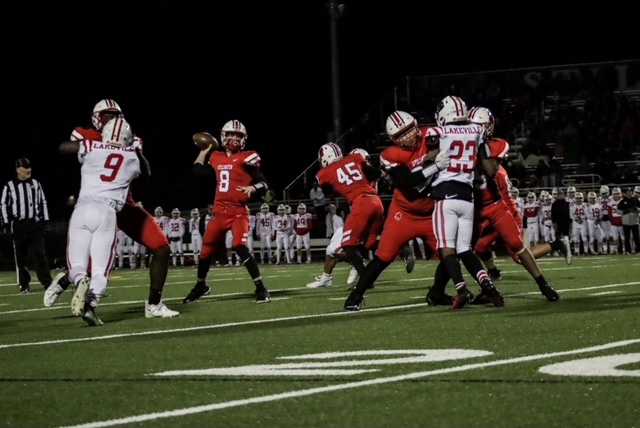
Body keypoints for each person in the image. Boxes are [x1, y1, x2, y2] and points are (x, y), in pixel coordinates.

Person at [43, 99, 177, 319]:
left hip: (125, 205)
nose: (112, 119)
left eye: (115, 115)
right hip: (101, 206)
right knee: (94, 267)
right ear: (97, 117)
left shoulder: (129, 139)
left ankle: (153, 304)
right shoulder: (87, 135)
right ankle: (77, 292)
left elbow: (143, 169)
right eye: (107, 115)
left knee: (161, 248)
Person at [344, 111, 450, 311]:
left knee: (450, 256)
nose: (408, 136)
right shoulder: (390, 155)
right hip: (405, 213)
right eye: (401, 134)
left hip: (432, 212)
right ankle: (355, 296)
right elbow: (407, 181)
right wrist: (436, 166)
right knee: (383, 257)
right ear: (393, 139)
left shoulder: (432, 135)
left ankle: (437, 292)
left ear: (416, 125)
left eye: (409, 130)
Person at [60, 118, 152, 325]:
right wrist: (135, 149)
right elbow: (146, 173)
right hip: (107, 212)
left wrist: (86, 143)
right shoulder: (132, 157)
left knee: (76, 264)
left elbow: (64, 147)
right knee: (101, 269)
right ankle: (91, 307)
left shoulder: (92, 145)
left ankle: (79, 279)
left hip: (82, 208)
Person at [465, 106, 559, 303]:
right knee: (468, 248)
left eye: (478, 127)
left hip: (496, 205)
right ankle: (486, 286)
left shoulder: (497, 145)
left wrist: (478, 148)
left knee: (518, 247)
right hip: (474, 207)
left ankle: (543, 283)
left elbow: (491, 169)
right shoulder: (462, 149)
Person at [183, 119, 271, 304]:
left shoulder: (248, 156)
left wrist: (253, 189)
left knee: (240, 246)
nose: (234, 138)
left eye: (238, 135)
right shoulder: (216, 156)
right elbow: (197, 173)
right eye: (231, 134)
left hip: (238, 212)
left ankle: (261, 288)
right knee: (205, 251)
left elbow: (263, 182)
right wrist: (204, 150)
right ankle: (201, 285)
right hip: (219, 211)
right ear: (223, 136)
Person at [429, 96, 504, 309]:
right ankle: (486, 283)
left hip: (445, 194)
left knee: (447, 248)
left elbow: (428, 161)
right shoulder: (477, 131)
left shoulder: (439, 132)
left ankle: (461, 289)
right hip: (468, 197)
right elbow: (491, 170)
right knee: (465, 247)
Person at [316, 143, 385, 283]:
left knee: (348, 245)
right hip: (377, 202)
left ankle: (366, 280)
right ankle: (402, 250)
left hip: (361, 203)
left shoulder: (325, 172)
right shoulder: (354, 158)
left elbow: (327, 194)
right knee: (369, 243)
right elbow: (379, 173)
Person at [1, 157, 58, 294]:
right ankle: (24, 284)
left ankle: (47, 283)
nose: (28, 170)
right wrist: (6, 224)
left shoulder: (36, 184)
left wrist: (45, 221)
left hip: (34, 224)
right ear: (17, 170)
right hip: (18, 224)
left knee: (40, 255)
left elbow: (43, 202)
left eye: (29, 167)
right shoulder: (9, 186)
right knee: (20, 257)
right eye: (25, 168)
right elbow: (3, 204)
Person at [618, 187, 640, 254]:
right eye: (628, 192)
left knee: (636, 237)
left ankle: (638, 250)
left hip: (635, 221)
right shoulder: (622, 201)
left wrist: (637, 209)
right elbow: (618, 210)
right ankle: (628, 250)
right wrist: (624, 212)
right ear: (625, 193)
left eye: (630, 192)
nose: (629, 193)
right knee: (627, 237)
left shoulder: (636, 200)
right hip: (626, 221)